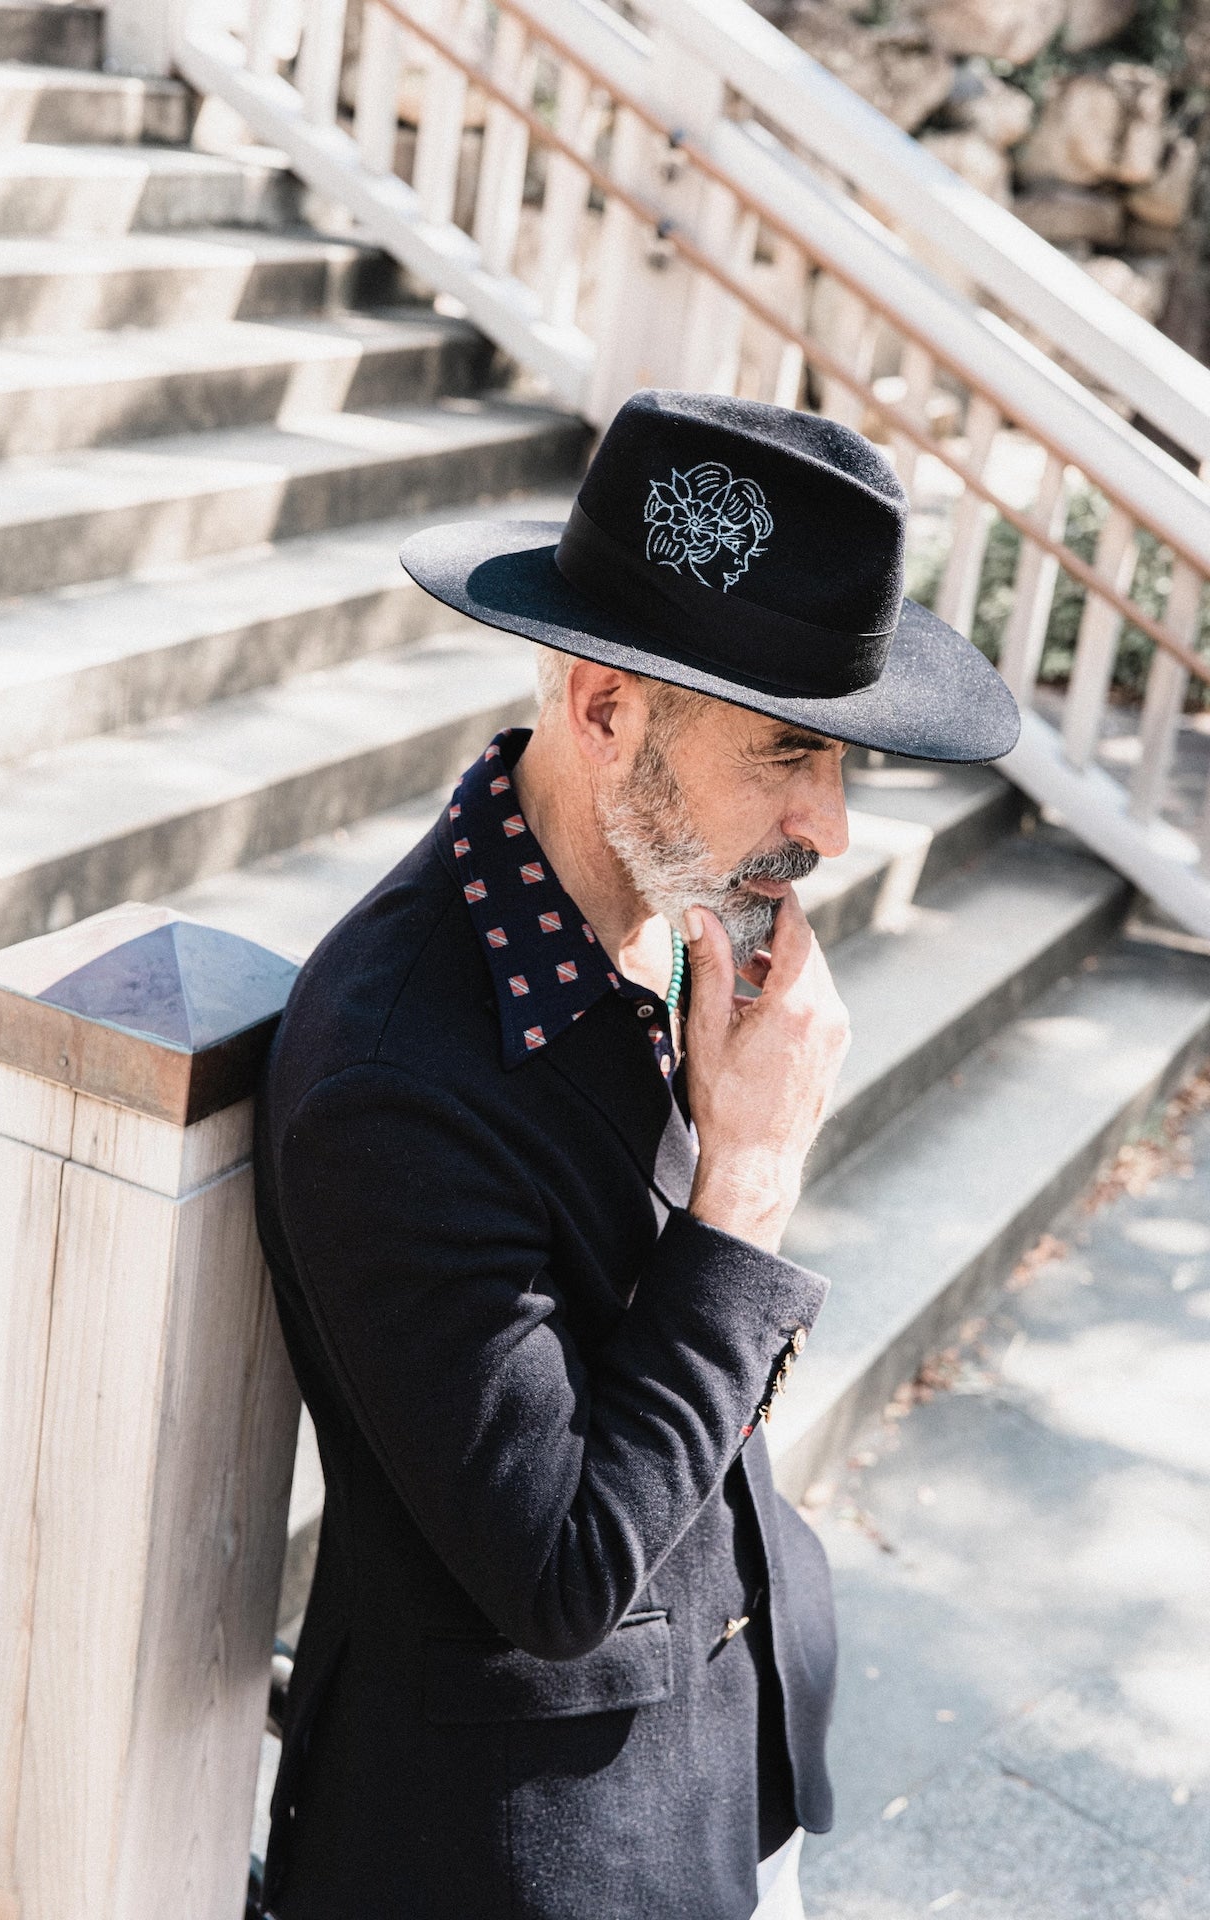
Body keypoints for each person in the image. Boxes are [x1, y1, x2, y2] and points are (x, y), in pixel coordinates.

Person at [252, 389, 1020, 1919]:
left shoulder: (661, 907)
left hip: (735, 1750)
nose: (834, 826)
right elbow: (557, 1579)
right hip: (532, 1849)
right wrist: (750, 1182)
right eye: (790, 754)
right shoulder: (395, 1070)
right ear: (604, 713)